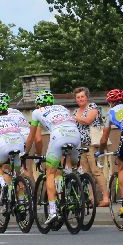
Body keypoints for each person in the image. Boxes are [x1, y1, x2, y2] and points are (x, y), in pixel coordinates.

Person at [25, 89, 82, 227]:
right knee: (72, 164)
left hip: (58, 136)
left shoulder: (37, 112)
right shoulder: (62, 108)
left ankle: (52, 211)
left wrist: (25, 153)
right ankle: (75, 185)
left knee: (50, 173)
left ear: (39, 104)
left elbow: (32, 136)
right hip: (75, 135)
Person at [98, 89, 123, 216]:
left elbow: (104, 139)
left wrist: (100, 152)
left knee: (122, 167)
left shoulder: (110, 112)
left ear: (110, 102)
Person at [73, 87, 109, 207]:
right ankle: (93, 199)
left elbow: (88, 120)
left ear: (87, 97)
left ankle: (105, 198)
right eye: (78, 97)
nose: (80, 99)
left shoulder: (92, 107)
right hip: (81, 145)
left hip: (92, 144)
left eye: (82, 96)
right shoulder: (75, 111)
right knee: (86, 173)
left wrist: (74, 118)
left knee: (96, 171)